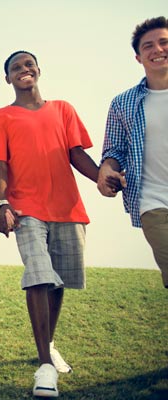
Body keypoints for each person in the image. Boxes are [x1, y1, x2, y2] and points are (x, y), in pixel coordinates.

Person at [0, 51, 103, 397]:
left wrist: (101, 179)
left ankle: (48, 342)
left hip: (67, 207)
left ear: (39, 70)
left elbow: (76, 154)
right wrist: (2, 204)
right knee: (38, 274)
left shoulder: (63, 109)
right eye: (15, 68)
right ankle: (44, 367)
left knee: (58, 280)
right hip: (25, 209)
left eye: (28, 64)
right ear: (8, 78)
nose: (24, 70)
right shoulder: (1, 117)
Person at [97, 16, 168, 289]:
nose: (157, 50)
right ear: (138, 57)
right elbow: (115, 149)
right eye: (148, 46)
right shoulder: (123, 103)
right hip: (153, 201)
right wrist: (106, 169)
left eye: (164, 42)